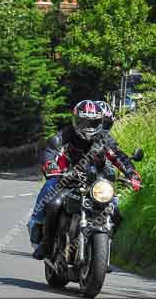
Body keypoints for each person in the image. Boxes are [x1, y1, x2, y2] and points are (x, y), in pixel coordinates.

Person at [28, 100, 141, 260]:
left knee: (115, 211)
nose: (88, 126)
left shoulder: (104, 138)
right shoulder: (65, 135)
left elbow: (118, 156)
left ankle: (104, 249)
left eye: (93, 122)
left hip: (96, 182)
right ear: (76, 120)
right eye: (84, 122)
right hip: (67, 178)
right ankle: (44, 240)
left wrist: (132, 174)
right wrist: (51, 166)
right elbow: (50, 151)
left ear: (100, 122)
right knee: (53, 201)